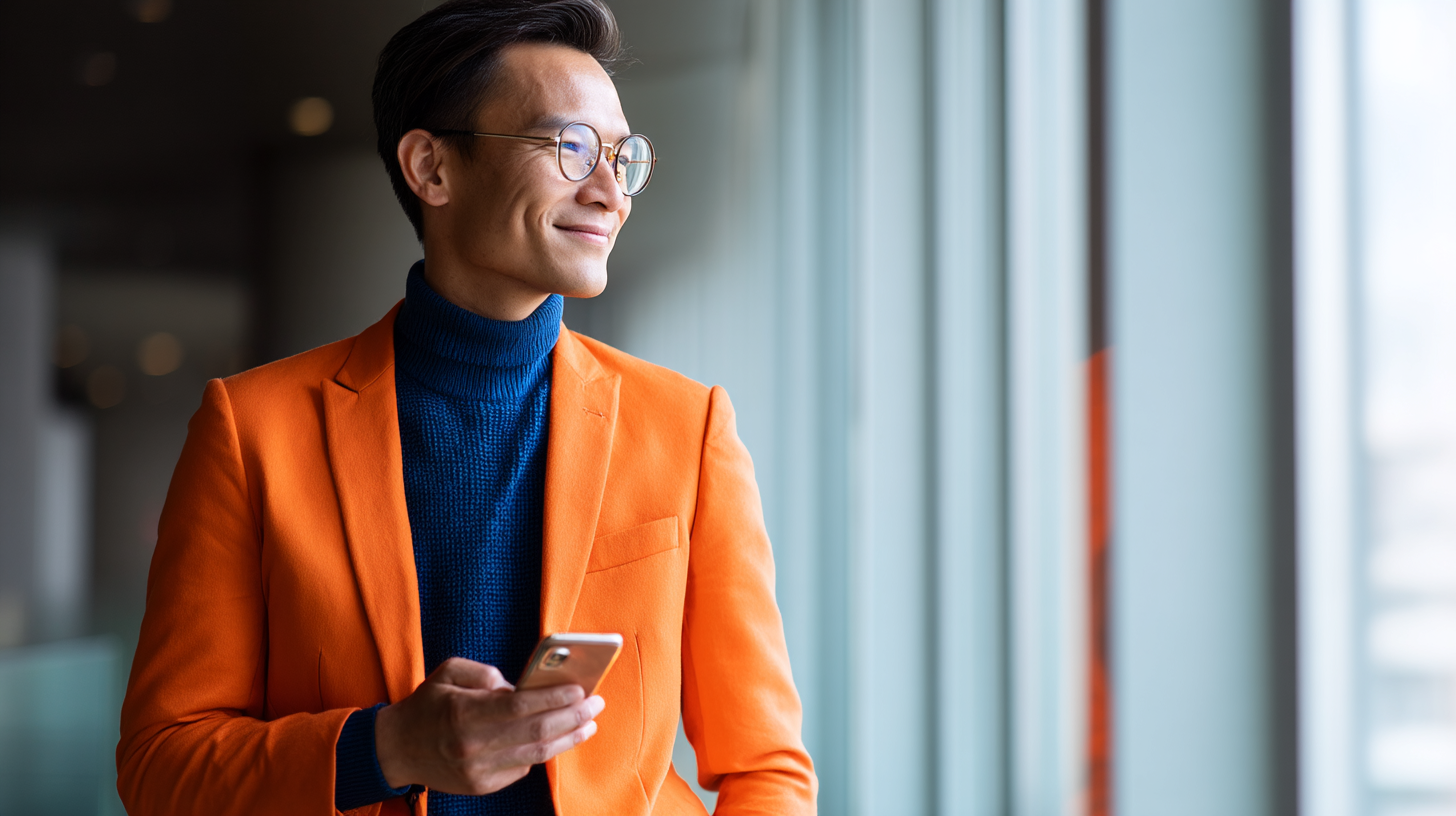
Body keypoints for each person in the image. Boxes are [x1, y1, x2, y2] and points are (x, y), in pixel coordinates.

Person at [114, 1, 816, 813]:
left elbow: (766, 767)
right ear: (432, 168)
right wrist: (388, 747)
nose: (609, 192)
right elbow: (161, 765)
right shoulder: (252, 432)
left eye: (621, 157)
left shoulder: (687, 429)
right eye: (571, 147)